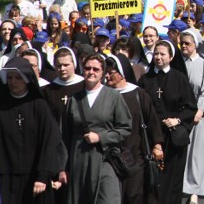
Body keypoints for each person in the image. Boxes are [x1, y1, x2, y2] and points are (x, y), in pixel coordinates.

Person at [63, 53, 132, 203]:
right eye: (88, 68)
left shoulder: (114, 97)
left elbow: (125, 127)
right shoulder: (74, 99)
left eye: (96, 69)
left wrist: (101, 137)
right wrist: (64, 167)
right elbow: (65, 135)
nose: (91, 72)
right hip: (79, 160)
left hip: (105, 159)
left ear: (102, 72)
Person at [0, 57, 66, 203]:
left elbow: (49, 140)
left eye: (18, 77)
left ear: (27, 78)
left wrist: (43, 175)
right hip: (7, 175)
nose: (13, 82)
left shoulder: (39, 105)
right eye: (9, 78)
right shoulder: (1, 105)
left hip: (35, 177)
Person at [138, 40, 197, 204]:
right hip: (151, 135)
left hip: (174, 136)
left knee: (173, 178)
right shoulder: (145, 80)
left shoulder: (180, 78)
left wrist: (177, 119)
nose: (158, 57)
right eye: (156, 54)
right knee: (153, 177)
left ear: (171, 57)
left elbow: (191, 107)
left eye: (162, 54)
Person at [104, 54, 164, 204]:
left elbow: (152, 121)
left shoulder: (138, 94)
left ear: (122, 72)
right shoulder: (103, 95)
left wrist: (157, 145)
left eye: (110, 72)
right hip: (110, 154)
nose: (106, 76)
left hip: (136, 153)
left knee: (134, 196)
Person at [180, 29, 204, 202]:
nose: (184, 47)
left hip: (199, 113)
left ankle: (194, 191)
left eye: (187, 44)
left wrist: (202, 110)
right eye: (182, 43)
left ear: (196, 45)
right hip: (180, 113)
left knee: (197, 154)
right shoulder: (178, 64)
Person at [42, 47, 85, 125]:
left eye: (66, 65)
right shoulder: (48, 90)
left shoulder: (84, 85)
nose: (62, 69)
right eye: (59, 65)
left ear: (74, 64)